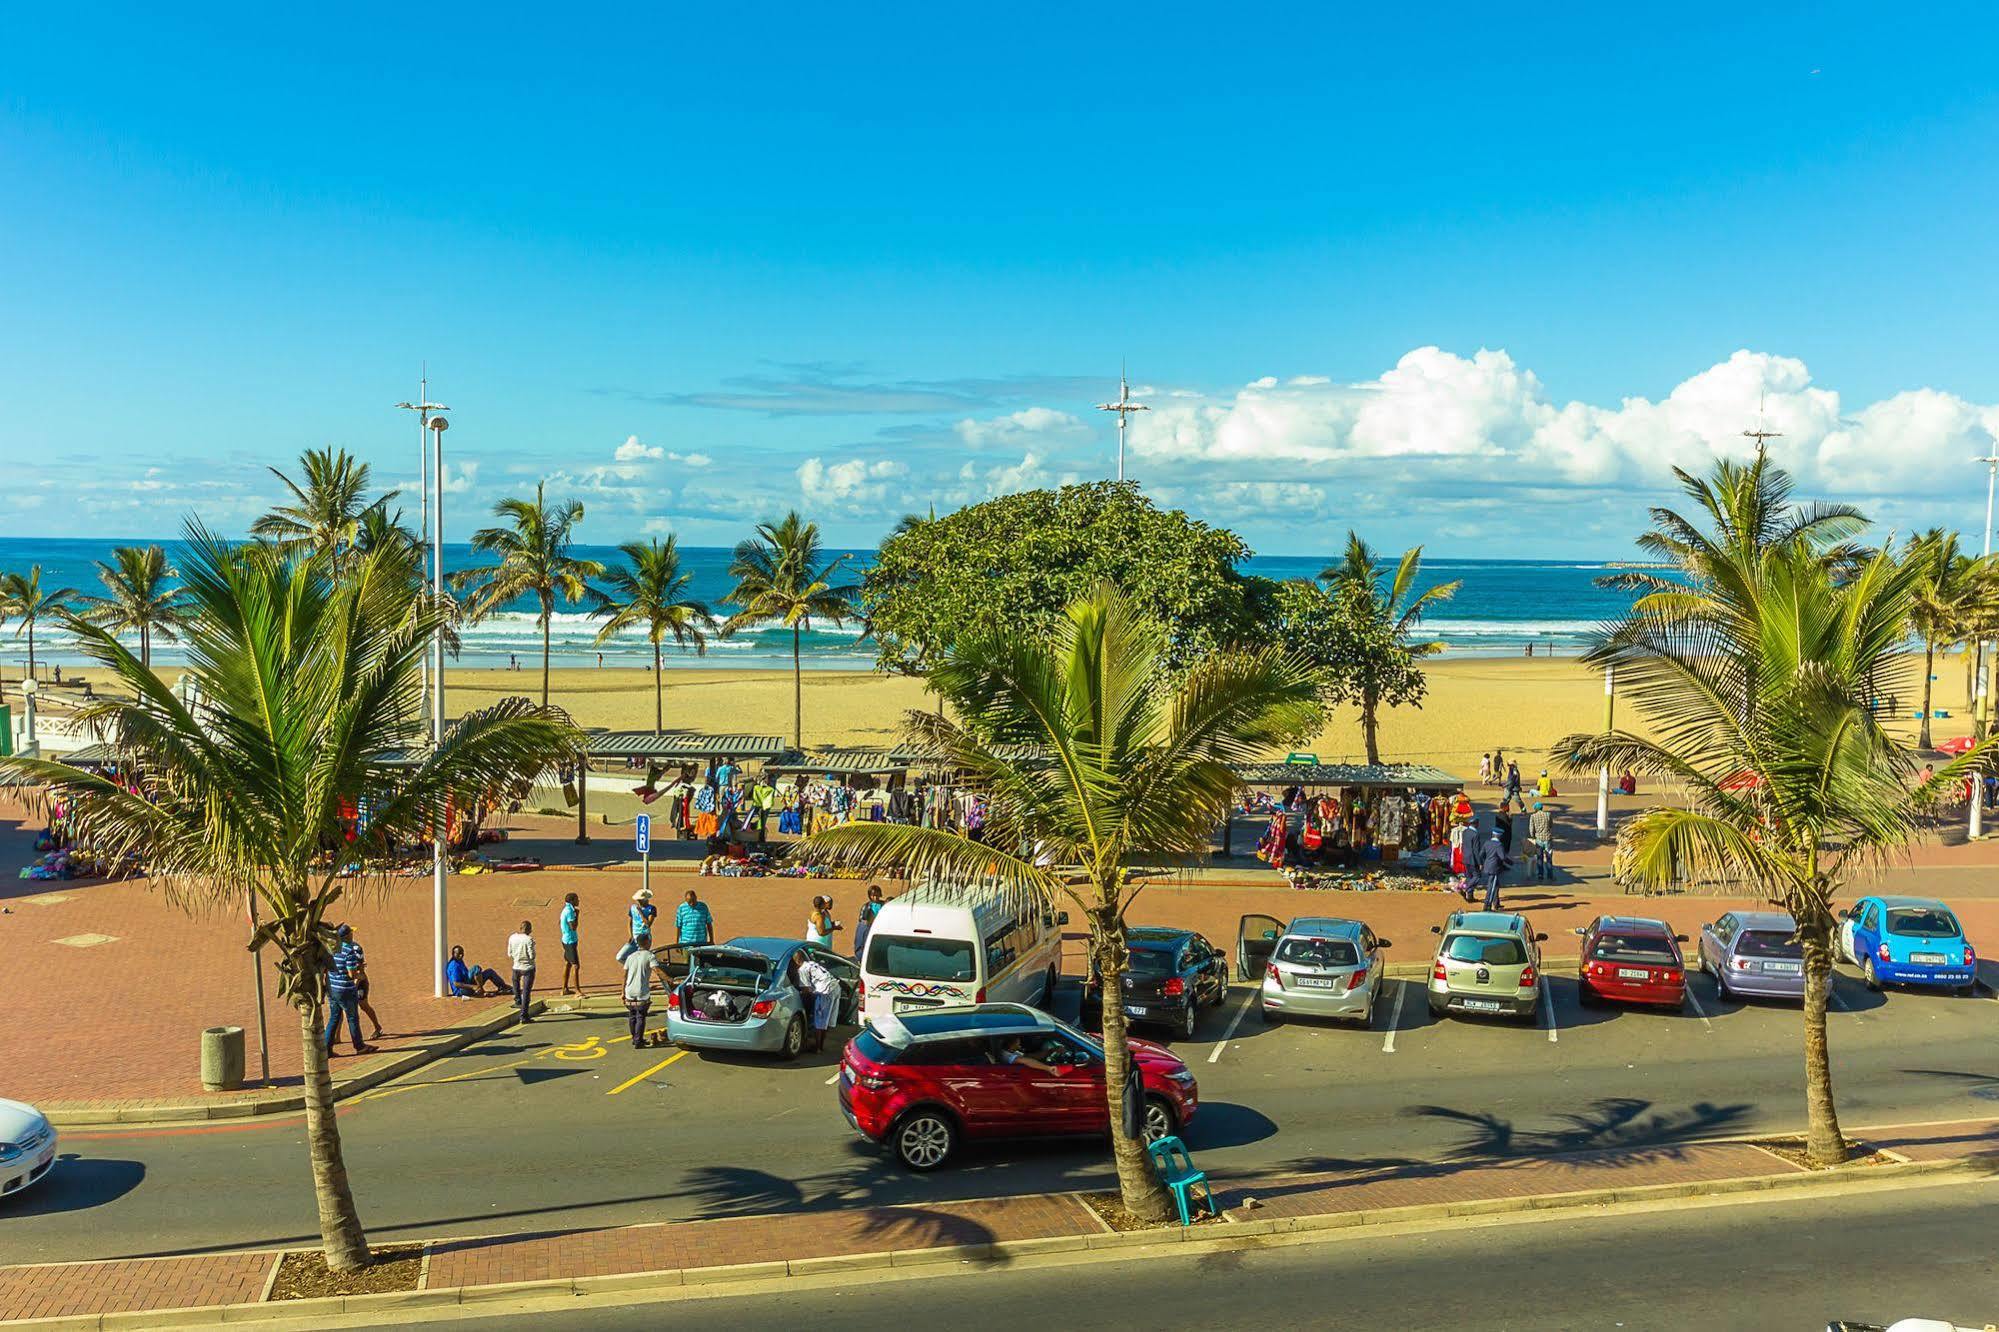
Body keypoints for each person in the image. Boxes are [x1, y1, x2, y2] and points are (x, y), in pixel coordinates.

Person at [323, 925, 378, 1057]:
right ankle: (359, 1046)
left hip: (332, 988)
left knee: (334, 1017)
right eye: (350, 933)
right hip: (345, 990)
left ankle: (326, 1049)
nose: (352, 935)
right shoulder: (349, 951)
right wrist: (361, 975)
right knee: (352, 1018)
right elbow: (351, 974)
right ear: (346, 936)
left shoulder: (330, 949)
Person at [622, 932, 675, 1048]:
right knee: (641, 1015)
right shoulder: (649, 956)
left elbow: (625, 975)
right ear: (646, 942)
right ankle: (638, 1040)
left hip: (629, 990)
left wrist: (623, 992)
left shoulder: (630, 957)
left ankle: (634, 1038)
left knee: (632, 1015)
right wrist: (670, 979)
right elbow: (657, 970)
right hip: (642, 991)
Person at [793, 950, 842, 1053]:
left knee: (819, 1021)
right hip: (835, 987)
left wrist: (800, 995)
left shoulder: (802, 969)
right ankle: (821, 1045)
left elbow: (806, 990)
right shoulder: (811, 964)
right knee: (826, 1020)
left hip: (825, 991)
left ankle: (818, 1047)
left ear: (796, 961)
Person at [444, 944, 511, 997]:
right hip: (461, 991)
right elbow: (456, 984)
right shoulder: (453, 966)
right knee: (476, 968)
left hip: (467, 982)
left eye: (462, 953)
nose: (461, 956)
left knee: (489, 972)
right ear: (453, 954)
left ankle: (503, 987)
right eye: (459, 954)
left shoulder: (459, 960)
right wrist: (473, 987)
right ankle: (480, 991)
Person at [506, 919, 537, 1024]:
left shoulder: (512, 937)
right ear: (529, 929)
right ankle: (524, 1015)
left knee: (516, 984)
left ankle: (517, 1000)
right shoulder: (529, 940)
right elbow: (532, 956)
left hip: (516, 966)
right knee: (526, 992)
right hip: (528, 968)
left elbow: (509, 953)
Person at [1475, 827, 1513, 911]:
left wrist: (1486, 861)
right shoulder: (1499, 845)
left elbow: (1481, 854)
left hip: (1488, 866)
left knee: (1496, 886)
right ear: (1499, 836)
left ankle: (1496, 904)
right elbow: (1503, 857)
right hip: (1494, 868)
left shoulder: (1487, 843)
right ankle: (1487, 905)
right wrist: (1510, 862)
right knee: (1491, 887)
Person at [559, 892, 582, 995]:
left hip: (567, 939)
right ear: (572, 901)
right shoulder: (570, 911)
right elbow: (573, 927)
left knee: (568, 963)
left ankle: (564, 988)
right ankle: (578, 990)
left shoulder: (566, 909)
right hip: (570, 941)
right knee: (576, 965)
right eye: (577, 899)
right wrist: (577, 915)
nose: (578, 901)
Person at [854, 885, 885, 960]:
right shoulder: (866, 906)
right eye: (873, 896)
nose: (875, 898)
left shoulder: (884, 905)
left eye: (877, 895)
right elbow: (862, 919)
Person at [1528, 801, 1555, 880]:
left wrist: (1533, 836)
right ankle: (1550, 875)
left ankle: (1540, 874)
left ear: (1535, 809)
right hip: (1547, 839)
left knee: (1540, 858)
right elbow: (1551, 825)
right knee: (1549, 857)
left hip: (1538, 839)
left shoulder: (1533, 816)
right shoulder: (1548, 814)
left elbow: (1531, 829)